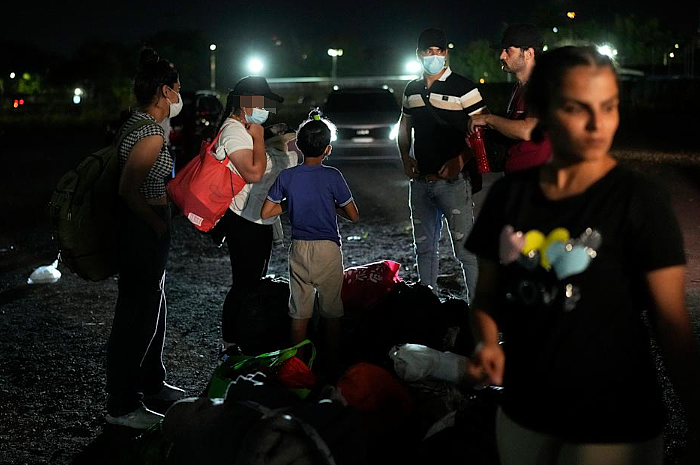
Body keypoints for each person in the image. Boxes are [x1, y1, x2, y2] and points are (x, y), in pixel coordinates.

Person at [465, 45, 700, 465]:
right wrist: (487, 342)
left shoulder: (639, 201)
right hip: (526, 413)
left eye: (608, 107)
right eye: (577, 107)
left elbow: (671, 322)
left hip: (615, 422)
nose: (597, 123)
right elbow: (487, 294)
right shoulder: (509, 198)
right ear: (543, 108)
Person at [106, 47, 185, 429]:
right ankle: (122, 404)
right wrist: (156, 226)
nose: (180, 95)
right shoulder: (149, 133)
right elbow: (128, 189)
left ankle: (152, 382)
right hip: (142, 230)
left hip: (147, 228)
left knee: (153, 308)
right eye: (177, 88)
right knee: (136, 318)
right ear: (164, 92)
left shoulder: (139, 122)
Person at [261, 110, 359, 368]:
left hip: (299, 249)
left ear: (299, 146)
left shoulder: (287, 176)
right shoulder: (333, 175)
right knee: (332, 312)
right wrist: (330, 206)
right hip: (327, 249)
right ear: (328, 149)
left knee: (299, 312)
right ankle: (331, 365)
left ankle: (298, 368)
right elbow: (353, 215)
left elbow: (267, 211)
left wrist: (290, 203)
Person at [397, 27, 487, 303]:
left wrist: (461, 160)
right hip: (421, 181)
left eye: (439, 51)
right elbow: (404, 126)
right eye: (428, 51)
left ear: (447, 53)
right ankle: (429, 308)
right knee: (424, 250)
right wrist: (404, 155)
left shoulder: (466, 88)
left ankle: (477, 313)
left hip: (454, 184)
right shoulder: (411, 90)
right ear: (419, 55)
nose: (434, 56)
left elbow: (482, 134)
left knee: (466, 252)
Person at [209, 76, 287, 356]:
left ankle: (247, 335)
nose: (265, 107)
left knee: (254, 281)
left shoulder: (245, 128)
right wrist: (258, 136)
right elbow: (252, 172)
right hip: (243, 220)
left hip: (257, 218)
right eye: (262, 102)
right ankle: (230, 343)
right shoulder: (233, 131)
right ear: (246, 103)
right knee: (243, 284)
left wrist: (266, 136)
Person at [468, 23, 551, 174]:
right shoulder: (518, 88)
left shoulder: (543, 84)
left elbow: (528, 130)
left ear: (528, 53)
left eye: (508, 51)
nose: (502, 56)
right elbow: (513, 130)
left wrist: (488, 119)